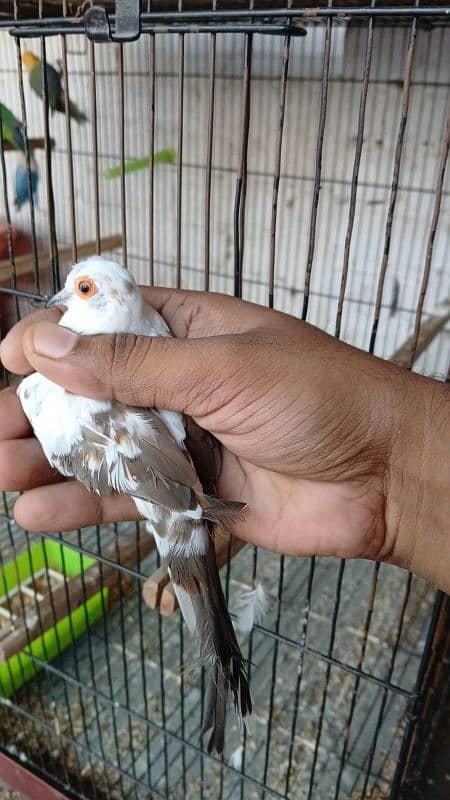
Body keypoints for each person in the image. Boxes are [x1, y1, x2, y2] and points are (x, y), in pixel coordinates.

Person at [0, 287, 448, 593]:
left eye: (80, 289)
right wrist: (393, 467)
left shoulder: (127, 342)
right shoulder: (143, 333)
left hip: (176, 477)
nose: (61, 300)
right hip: (176, 475)